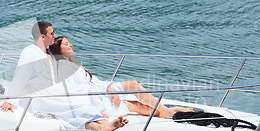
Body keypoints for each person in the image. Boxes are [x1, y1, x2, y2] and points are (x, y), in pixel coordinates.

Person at [0, 22, 128, 131]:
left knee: (78, 103)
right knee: (76, 104)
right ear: (42, 36)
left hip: (55, 92)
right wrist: (10, 100)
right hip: (43, 96)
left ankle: (101, 126)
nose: (54, 35)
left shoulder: (48, 52)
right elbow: (20, 75)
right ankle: (102, 124)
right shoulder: (31, 52)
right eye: (51, 33)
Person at [49, 36, 195, 118]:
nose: (71, 45)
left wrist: (109, 88)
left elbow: (93, 82)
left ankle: (166, 110)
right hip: (97, 97)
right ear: (59, 50)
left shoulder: (72, 63)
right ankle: (167, 111)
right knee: (136, 105)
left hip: (103, 90)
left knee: (133, 85)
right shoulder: (65, 68)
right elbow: (82, 89)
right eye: (67, 44)